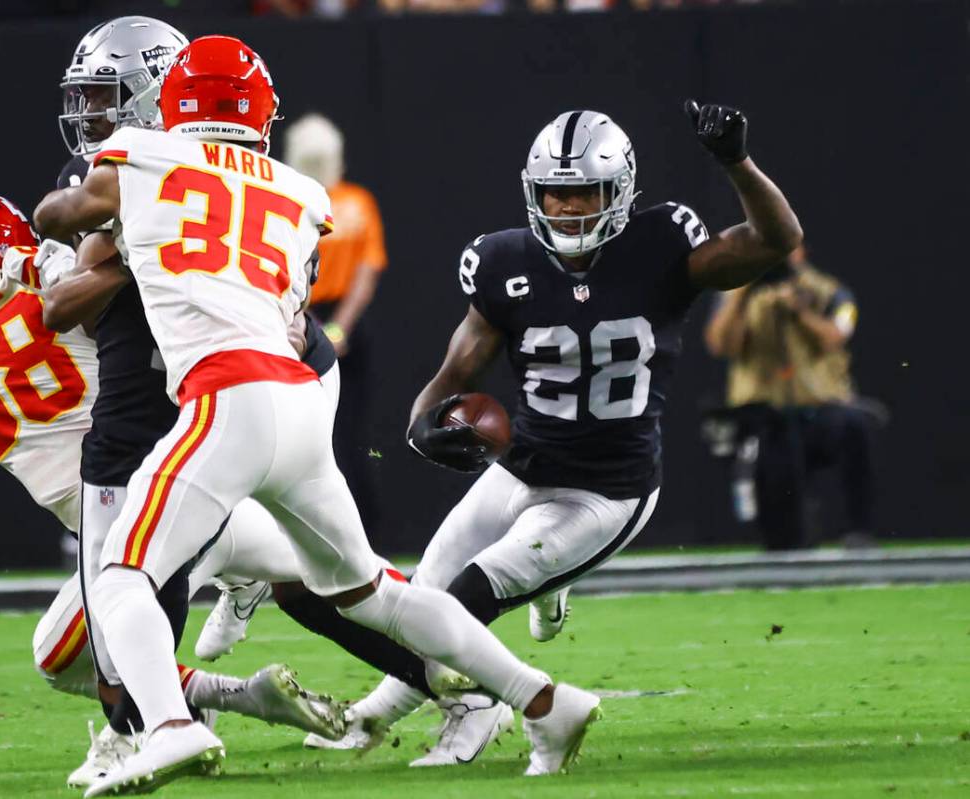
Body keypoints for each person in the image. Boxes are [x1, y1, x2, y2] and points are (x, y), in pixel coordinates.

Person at [36, 34, 602, 795]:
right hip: (300, 400)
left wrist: (112, 225)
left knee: (120, 575)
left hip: (225, 396)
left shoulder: (141, 158)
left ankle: (168, 727)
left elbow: (52, 213)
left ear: (169, 103)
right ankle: (544, 697)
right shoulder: (302, 193)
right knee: (374, 592)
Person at [320, 102, 803, 765]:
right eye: (556, 191)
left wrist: (736, 162)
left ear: (621, 191)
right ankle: (384, 712)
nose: (570, 206)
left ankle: (463, 713)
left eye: (585, 192)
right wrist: (421, 423)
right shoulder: (505, 262)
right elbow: (455, 370)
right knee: (419, 600)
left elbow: (776, 240)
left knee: (465, 601)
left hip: (605, 489)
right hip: (522, 465)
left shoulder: (661, 246)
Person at [0, 190, 346, 789]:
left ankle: (147, 728)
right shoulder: (53, 293)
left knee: (77, 659)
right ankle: (240, 694)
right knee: (344, 578)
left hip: (146, 505)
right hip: (190, 477)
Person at [703, 245, 875, 549]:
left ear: (800, 252)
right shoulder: (738, 294)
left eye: (783, 250)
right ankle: (781, 542)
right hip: (766, 412)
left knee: (855, 426)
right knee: (775, 488)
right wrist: (743, 294)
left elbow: (836, 336)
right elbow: (720, 345)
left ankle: (857, 531)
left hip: (820, 407)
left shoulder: (827, 290)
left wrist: (802, 312)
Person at [283, 113, 388, 539]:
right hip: (326, 322)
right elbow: (367, 273)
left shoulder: (290, 200)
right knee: (341, 437)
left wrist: (316, 328)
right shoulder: (356, 203)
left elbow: (287, 270)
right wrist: (338, 330)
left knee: (326, 438)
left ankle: (342, 537)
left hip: (300, 319)